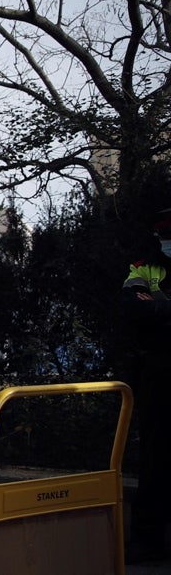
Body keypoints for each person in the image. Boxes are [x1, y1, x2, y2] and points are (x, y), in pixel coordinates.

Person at [119, 208, 171, 564]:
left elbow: (149, 312)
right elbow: (131, 310)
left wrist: (159, 308)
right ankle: (147, 543)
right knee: (155, 460)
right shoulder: (144, 267)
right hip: (158, 373)